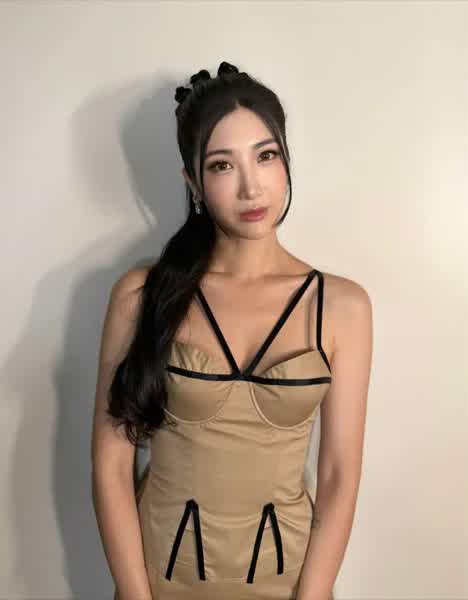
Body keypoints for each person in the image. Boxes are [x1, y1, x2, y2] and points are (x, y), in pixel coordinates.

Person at [91, 61, 373, 600]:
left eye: (266, 156)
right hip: (158, 581)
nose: (251, 186)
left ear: (286, 161)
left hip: (289, 583)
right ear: (193, 183)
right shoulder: (141, 296)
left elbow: (339, 476)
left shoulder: (343, 306)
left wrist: (313, 594)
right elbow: (110, 466)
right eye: (222, 165)